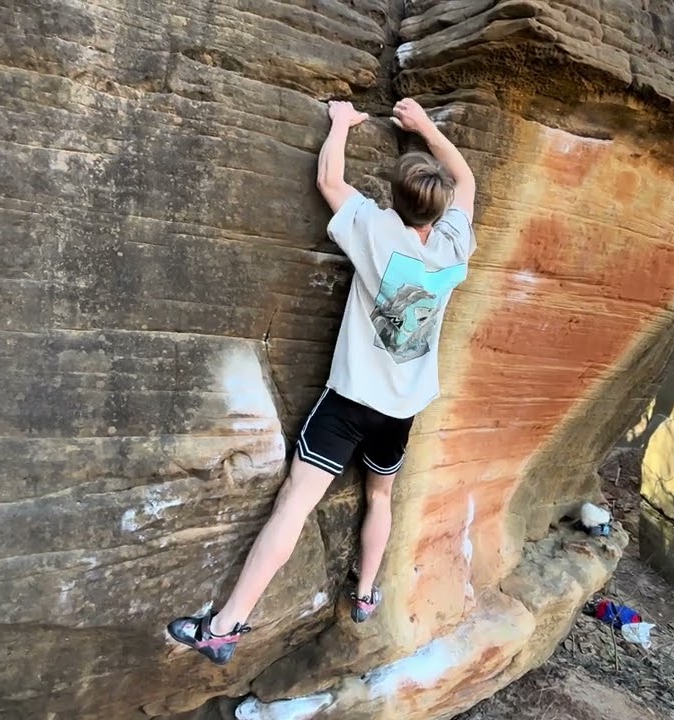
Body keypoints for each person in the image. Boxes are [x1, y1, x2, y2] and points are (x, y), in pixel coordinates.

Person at [166, 97, 477, 665]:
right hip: (401, 411)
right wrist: (426, 127)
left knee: (294, 505)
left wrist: (340, 122)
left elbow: (328, 177)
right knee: (379, 494)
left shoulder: (376, 230)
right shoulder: (456, 248)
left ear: (397, 200)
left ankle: (226, 626)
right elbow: (465, 177)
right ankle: (364, 596)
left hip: (350, 402)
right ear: (439, 210)